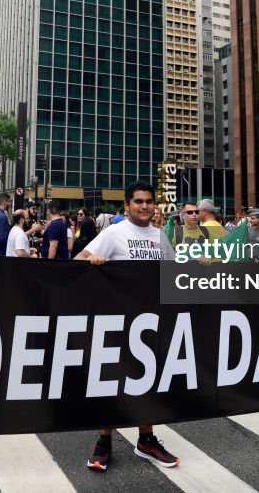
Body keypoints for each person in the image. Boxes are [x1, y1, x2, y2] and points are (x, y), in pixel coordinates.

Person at [75, 181, 178, 471]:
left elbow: (173, 274)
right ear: (127, 205)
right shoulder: (114, 233)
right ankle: (103, 442)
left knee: (147, 382)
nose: (144, 206)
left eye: (148, 201)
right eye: (138, 202)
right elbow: (76, 262)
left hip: (151, 321)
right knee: (113, 381)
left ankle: (146, 439)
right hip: (118, 321)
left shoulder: (160, 236)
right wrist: (93, 260)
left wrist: (200, 265)